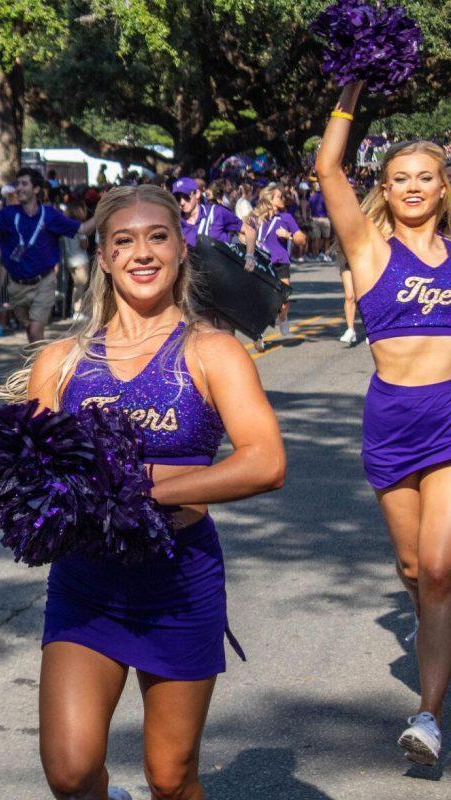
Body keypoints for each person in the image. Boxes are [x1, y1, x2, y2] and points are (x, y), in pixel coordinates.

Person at [17, 185, 285, 800]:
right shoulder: (60, 361)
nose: (142, 252)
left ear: (181, 250)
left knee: (170, 778)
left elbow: (266, 462)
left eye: (158, 237)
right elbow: (30, 473)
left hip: (178, 582)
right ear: (105, 258)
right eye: (124, 241)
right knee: (71, 771)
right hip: (86, 583)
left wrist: (140, 488)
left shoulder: (211, 351)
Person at [316, 80, 451, 767]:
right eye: (401, 178)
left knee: (436, 566)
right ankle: (440, 625)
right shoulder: (370, 250)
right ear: (388, 189)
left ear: (443, 187)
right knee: (412, 568)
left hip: (450, 417)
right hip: (392, 422)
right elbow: (328, 169)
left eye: (427, 176)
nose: (414, 186)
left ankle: (427, 715)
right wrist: (352, 85)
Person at [0, 169, 97, 342]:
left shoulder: (50, 215)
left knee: (36, 329)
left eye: (24, 184)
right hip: (17, 286)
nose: (19, 188)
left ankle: (41, 367)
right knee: (31, 332)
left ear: (36, 189)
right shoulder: (9, 214)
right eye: (17, 184)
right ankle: (39, 362)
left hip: (44, 282)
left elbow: (83, 229)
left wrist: (104, 211)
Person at [241, 185, 304, 334]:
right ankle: (258, 334)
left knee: (284, 298)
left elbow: (301, 240)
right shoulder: (255, 218)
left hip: (280, 261)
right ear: (270, 199)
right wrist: (247, 242)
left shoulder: (286, 217)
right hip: (261, 261)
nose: (283, 199)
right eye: (279, 197)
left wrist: (288, 235)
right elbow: (242, 234)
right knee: (260, 299)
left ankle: (282, 318)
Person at [172, 176, 241, 247]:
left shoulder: (216, 211)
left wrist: (249, 255)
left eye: (186, 196)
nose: (182, 202)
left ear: (197, 194)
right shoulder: (177, 227)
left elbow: (247, 231)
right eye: (177, 198)